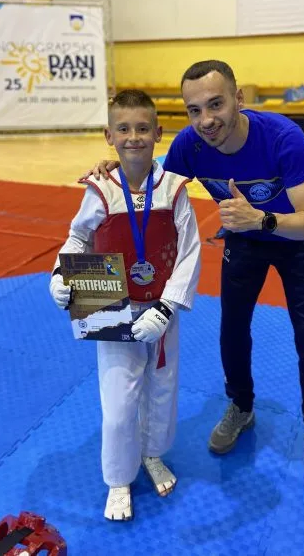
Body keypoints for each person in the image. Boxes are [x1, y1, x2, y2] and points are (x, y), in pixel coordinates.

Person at [88, 61, 304, 499]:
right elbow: (154, 181)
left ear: (239, 99)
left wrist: (261, 219)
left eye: (216, 104)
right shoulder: (191, 145)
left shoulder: (282, 137)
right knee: (232, 328)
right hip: (244, 238)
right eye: (194, 110)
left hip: (296, 241)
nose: (206, 120)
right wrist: (118, 166)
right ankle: (241, 405)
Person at [50, 89, 201, 520]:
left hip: (161, 310)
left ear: (158, 132)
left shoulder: (174, 189)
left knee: (162, 390)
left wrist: (167, 308)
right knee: (118, 402)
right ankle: (118, 478)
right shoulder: (100, 189)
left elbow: (190, 251)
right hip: (109, 303)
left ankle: (152, 453)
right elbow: (78, 237)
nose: (133, 137)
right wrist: (59, 275)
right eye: (123, 129)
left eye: (142, 128)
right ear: (109, 136)